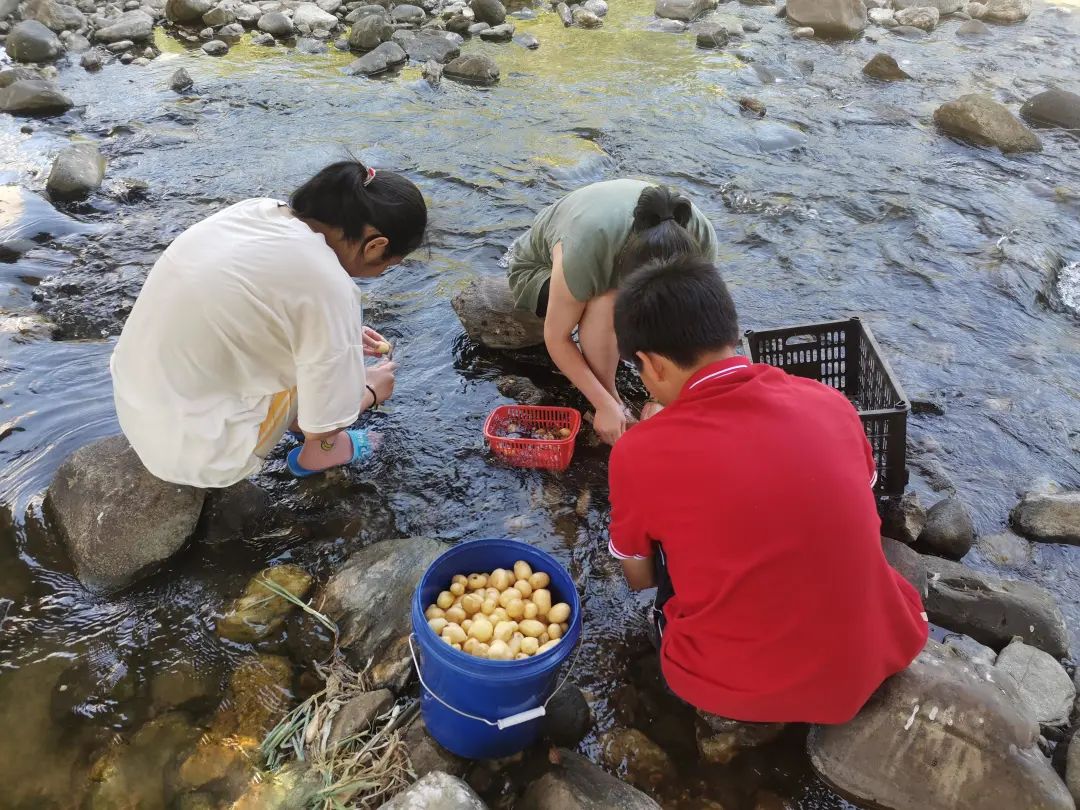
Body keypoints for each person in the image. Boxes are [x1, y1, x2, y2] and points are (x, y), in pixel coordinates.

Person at [607, 256, 928, 756]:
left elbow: (640, 577)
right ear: (730, 331)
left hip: (733, 685)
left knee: (665, 556)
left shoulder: (638, 452)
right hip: (869, 659)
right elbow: (860, 506)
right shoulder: (829, 403)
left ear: (652, 363)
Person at [110, 160, 427, 487]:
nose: (381, 273)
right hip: (196, 451)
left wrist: (341, 335)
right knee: (331, 393)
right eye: (387, 266)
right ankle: (321, 454)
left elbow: (254, 304)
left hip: (136, 399)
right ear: (376, 246)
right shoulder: (329, 284)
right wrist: (368, 391)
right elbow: (322, 420)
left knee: (318, 360)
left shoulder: (257, 211)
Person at [507, 178, 717, 445]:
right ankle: (610, 400)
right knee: (607, 301)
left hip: (608, 249)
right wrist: (604, 404)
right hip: (538, 268)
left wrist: (661, 398)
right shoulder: (586, 247)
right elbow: (556, 337)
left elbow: (689, 319)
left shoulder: (700, 238)